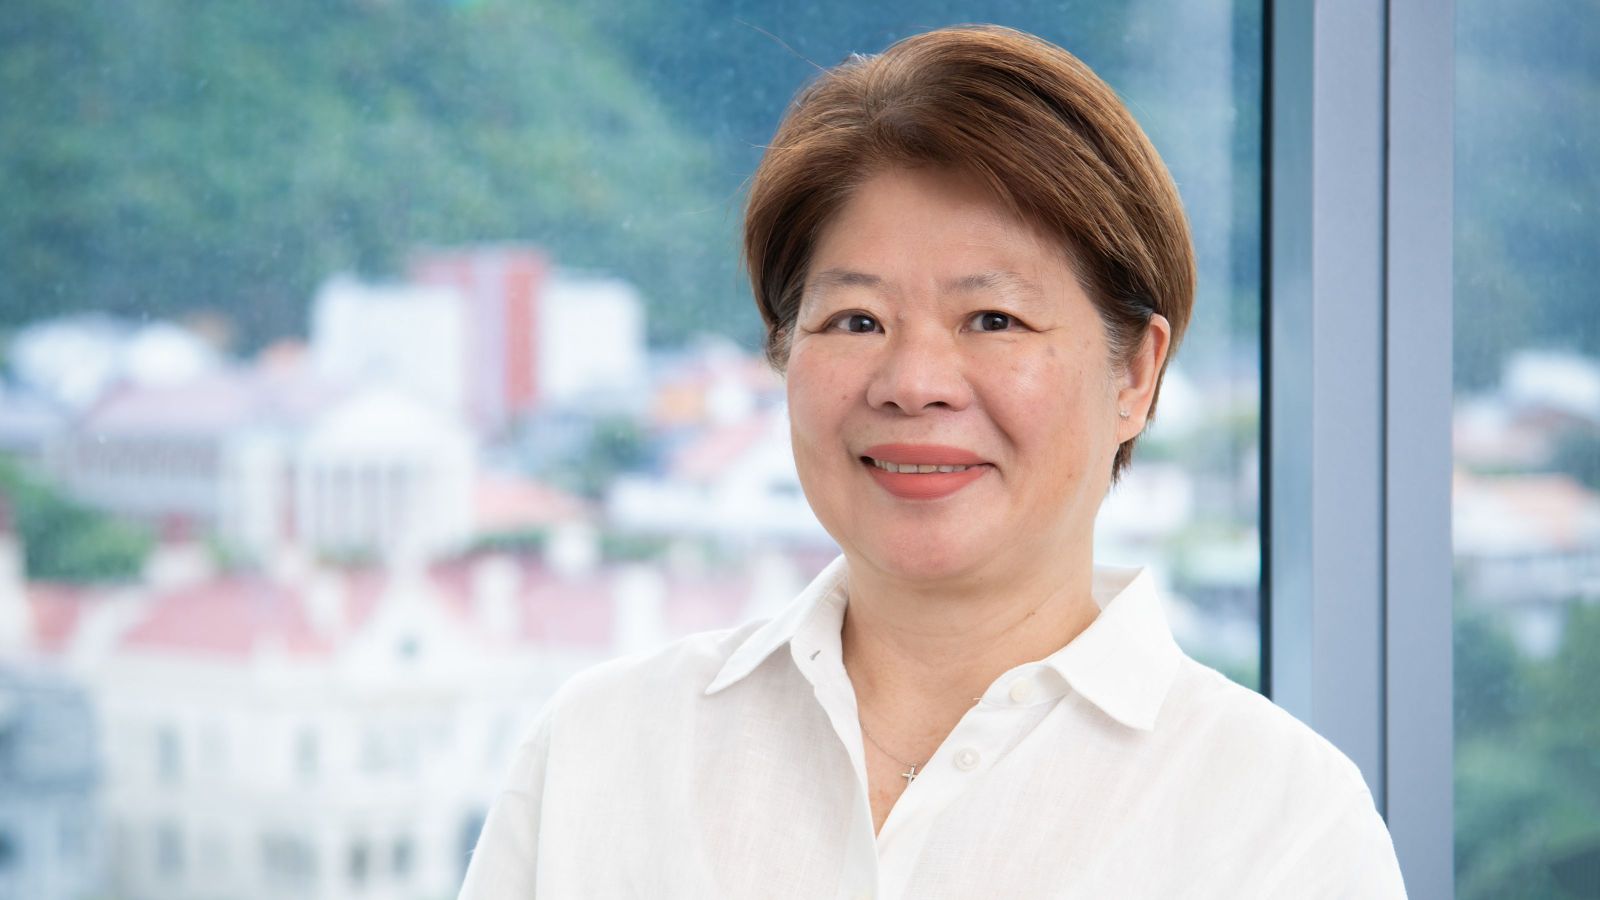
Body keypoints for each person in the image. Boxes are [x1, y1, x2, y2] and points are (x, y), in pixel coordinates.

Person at [460, 25, 1407, 899]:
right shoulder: (601, 750)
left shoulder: (1280, 822)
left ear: (1136, 372)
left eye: (992, 319)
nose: (914, 383)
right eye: (856, 320)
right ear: (785, 354)